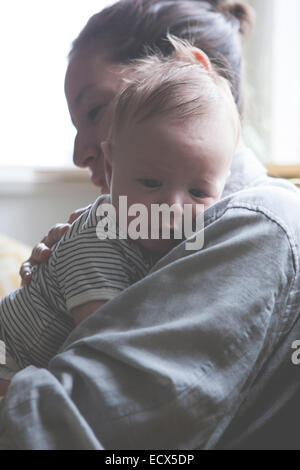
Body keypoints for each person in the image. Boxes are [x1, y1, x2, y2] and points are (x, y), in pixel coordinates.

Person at [1, 0, 300, 450]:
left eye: (96, 110)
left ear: (191, 71)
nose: (82, 151)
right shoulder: (139, 233)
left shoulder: (258, 223)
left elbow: (70, 425)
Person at [0, 35, 240, 383]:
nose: (172, 207)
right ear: (112, 164)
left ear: (224, 185)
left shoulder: (233, 224)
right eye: (150, 183)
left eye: (199, 191)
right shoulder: (97, 244)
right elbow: (107, 355)